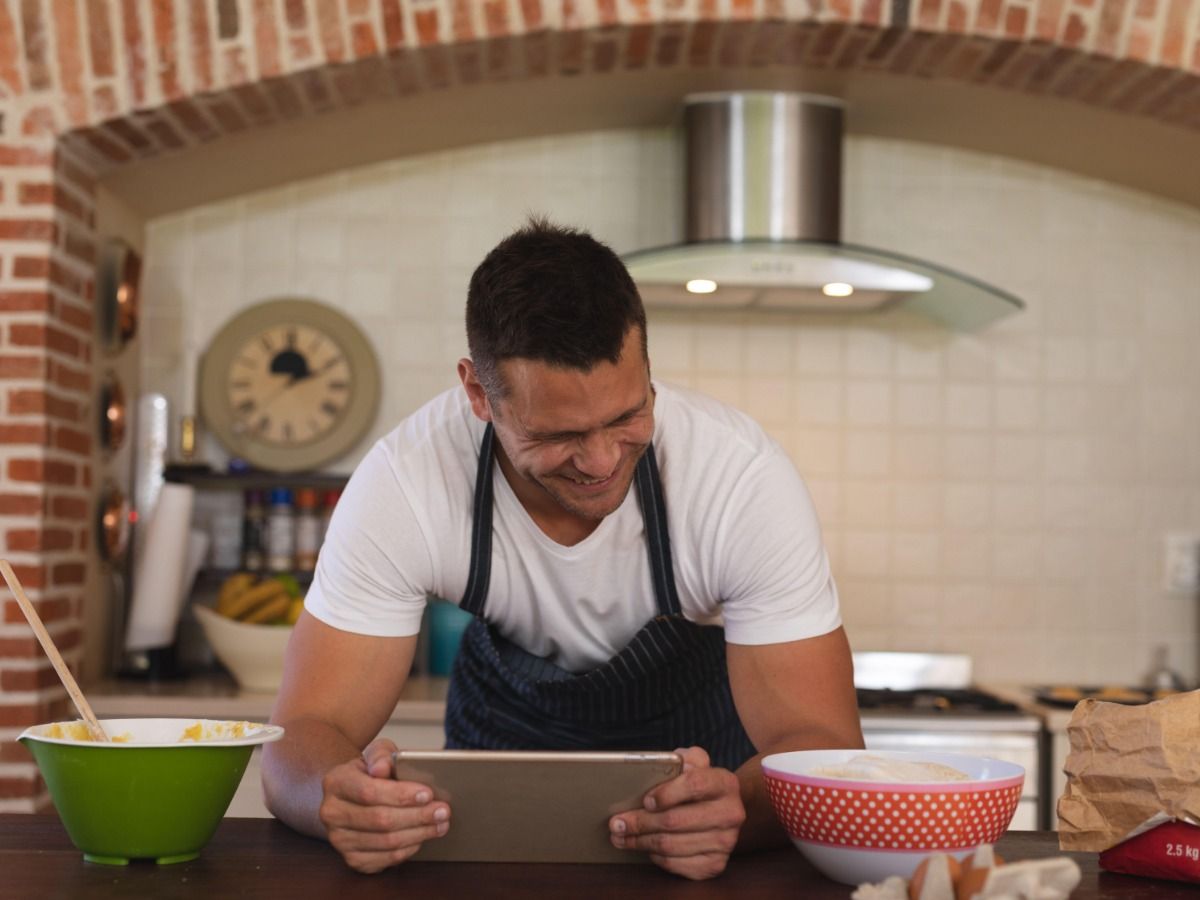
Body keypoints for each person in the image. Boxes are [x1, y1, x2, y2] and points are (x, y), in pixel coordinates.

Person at [262, 217, 864, 881]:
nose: (602, 460)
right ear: (476, 393)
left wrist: (735, 812)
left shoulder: (739, 479)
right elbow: (301, 736)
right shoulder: (406, 481)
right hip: (493, 808)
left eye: (627, 416)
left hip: (702, 818)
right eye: (559, 434)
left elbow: (823, 748)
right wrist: (335, 802)